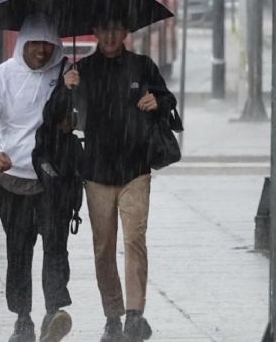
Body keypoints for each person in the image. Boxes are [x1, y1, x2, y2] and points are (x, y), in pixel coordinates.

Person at [52, 19, 176, 342]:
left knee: (134, 239)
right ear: (95, 32)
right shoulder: (82, 70)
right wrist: (67, 88)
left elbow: (168, 101)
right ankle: (112, 316)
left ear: (125, 33)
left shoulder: (143, 66)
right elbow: (61, 117)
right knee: (103, 248)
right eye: (104, 29)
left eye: (116, 29)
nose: (109, 36)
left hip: (136, 169)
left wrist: (158, 101)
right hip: (96, 173)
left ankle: (135, 315)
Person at [0, 14, 74, 342]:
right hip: (13, 181)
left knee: (55, 247)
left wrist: (73, 97)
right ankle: (23, 318)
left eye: (48, 44)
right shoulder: (2, 76)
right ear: (22, 44)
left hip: (53, 181)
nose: (42, 51)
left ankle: (54, 310)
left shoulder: (67, 75)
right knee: (18, 251)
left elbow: (81, 118)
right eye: (35, 44)